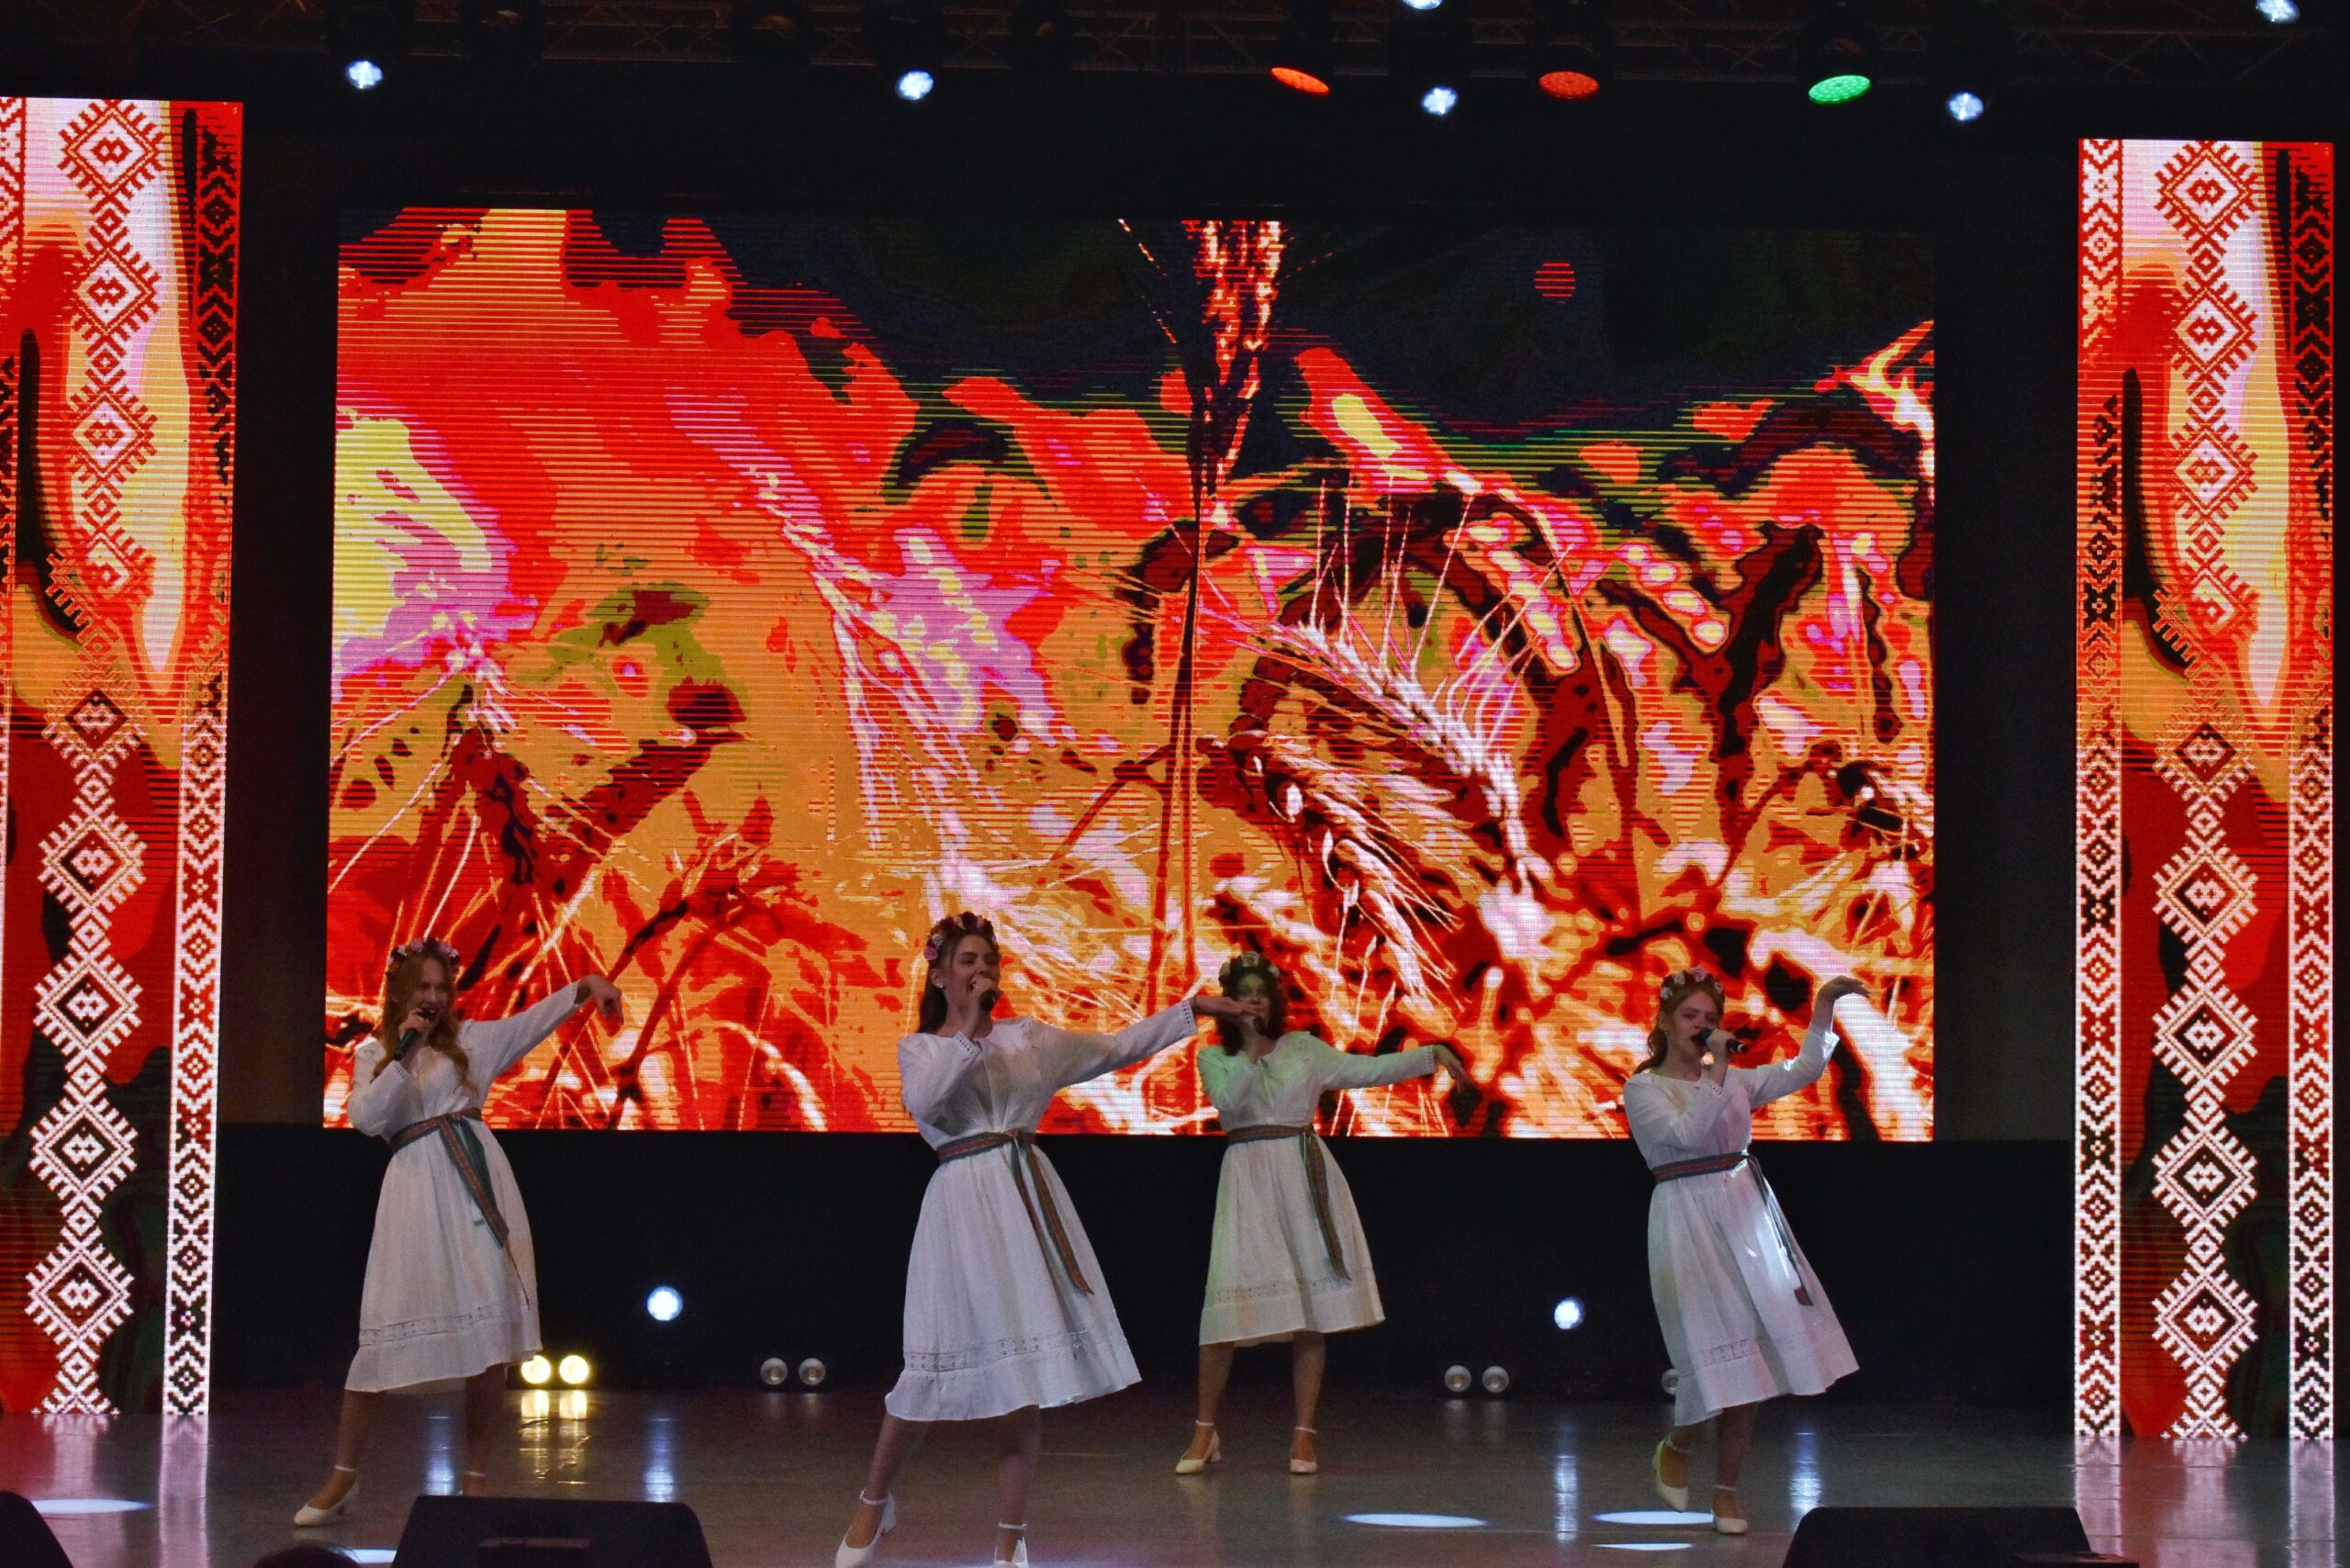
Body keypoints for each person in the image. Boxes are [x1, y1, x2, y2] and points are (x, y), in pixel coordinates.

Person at [835, 912, 1250, 1568]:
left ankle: (1011, 1536)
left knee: (1021, 1381)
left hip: (1023, 1203)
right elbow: (929, 1103)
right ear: (940, 976)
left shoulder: (1028, 1038)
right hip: (959, 1209)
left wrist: (1190, 1009)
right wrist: (969, 1030)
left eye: (988, 961)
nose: (981, 971)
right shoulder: (922, 1049)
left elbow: (1114, 1047)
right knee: (927, 1368)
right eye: (967, 961)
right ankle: (874, 1500)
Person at [297, 937, 623, 1526]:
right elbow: (367, 1119)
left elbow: (530, 1023)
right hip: (414, 1199)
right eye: (422, 987)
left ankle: (476, 1477)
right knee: (382, 1334)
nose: (433, 997)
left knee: (488, 1341)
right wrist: (405, 1051)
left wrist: (584, 988)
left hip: (475, 1190)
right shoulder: (374, 1054)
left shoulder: (473, 1042)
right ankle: (344, 1477)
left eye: (440, 988)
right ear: (400, 993)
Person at [1176, 950, 1467, 1477]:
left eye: (1262, 996)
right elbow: (1229, 1102)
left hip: (1301, 1177)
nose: (1255, 1005)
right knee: (1223, 1312)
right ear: (1229, 1005)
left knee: (1309, 1315)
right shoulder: (1215, 1058)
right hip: (1246, 1182)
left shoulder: (1303, 1049)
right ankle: (1205, 1430)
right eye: (1244, 997)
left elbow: (1366, 1070)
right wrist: (1249, 1047)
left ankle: (1304, 1436)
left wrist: (1430, 1055)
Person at [1622, 966, 1864, 1536]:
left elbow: (1804, 1069)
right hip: (1686, 1220)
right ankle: (1677, 1444)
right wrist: (1718, 1071)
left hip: (1743, 1215)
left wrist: (1825, 1007)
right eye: (1690, 1016)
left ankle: (1726, 1492)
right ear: (1666, 1022)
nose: (1701, 1025)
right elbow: (1687, 1136)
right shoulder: (1645, 1089)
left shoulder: (1734, 1080)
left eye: (1710, 1017)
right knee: (1712, 1358)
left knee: (1753, 1361)